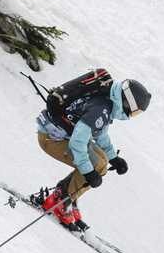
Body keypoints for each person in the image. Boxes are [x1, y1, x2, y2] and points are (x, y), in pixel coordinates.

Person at [29, 74, 151, 232]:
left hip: (59, 134)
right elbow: (78, 143)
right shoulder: (102, 109)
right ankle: (60, 201)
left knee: (102, 160)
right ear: (127, 102)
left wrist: (113, 158)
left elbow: (99, 133)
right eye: (134, 111)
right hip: (52, 139)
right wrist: (89, 172)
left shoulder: (107, 101)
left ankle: (66, 196)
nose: (131, 115)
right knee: (97, 165)